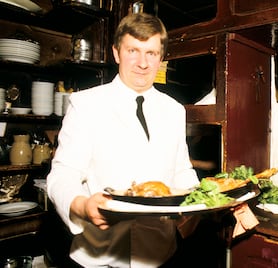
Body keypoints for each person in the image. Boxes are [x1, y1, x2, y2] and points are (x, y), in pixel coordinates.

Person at [46, 13, 200, 267]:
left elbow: (181, 171)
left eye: (151, 53)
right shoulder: (87, 104)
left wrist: (202, 205)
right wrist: (82, 206)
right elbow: (63, 173)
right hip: (100, 255)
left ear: (161, 58)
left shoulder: (174, 110)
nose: (142, 62)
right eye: (133, 50)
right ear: (116, 53)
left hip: (161, 253)